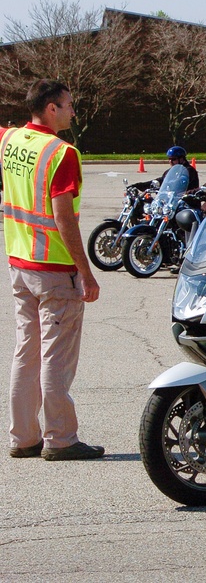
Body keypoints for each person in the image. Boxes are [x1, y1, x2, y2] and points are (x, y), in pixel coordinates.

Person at [1, 79, 103, 461]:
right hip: (54, 269)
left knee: (26, 351)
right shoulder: (63, 153)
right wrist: (87, 273)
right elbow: (64, 219)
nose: (73, 111)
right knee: (55, 357)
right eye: (69, 105)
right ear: (50, 108)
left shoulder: (9, 140)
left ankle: (23, 437)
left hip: (19, 262)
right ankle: (60, 439)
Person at [132, 146, 199, 192]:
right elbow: (161, 181)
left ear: (182, 159)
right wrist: (137, 186)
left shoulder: (189, 171)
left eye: (173, 159)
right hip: (171, 203)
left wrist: (168, 185)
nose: (170, 161)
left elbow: (179, 182)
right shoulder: (169, 171)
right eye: (169, 159)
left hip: (187, 204)